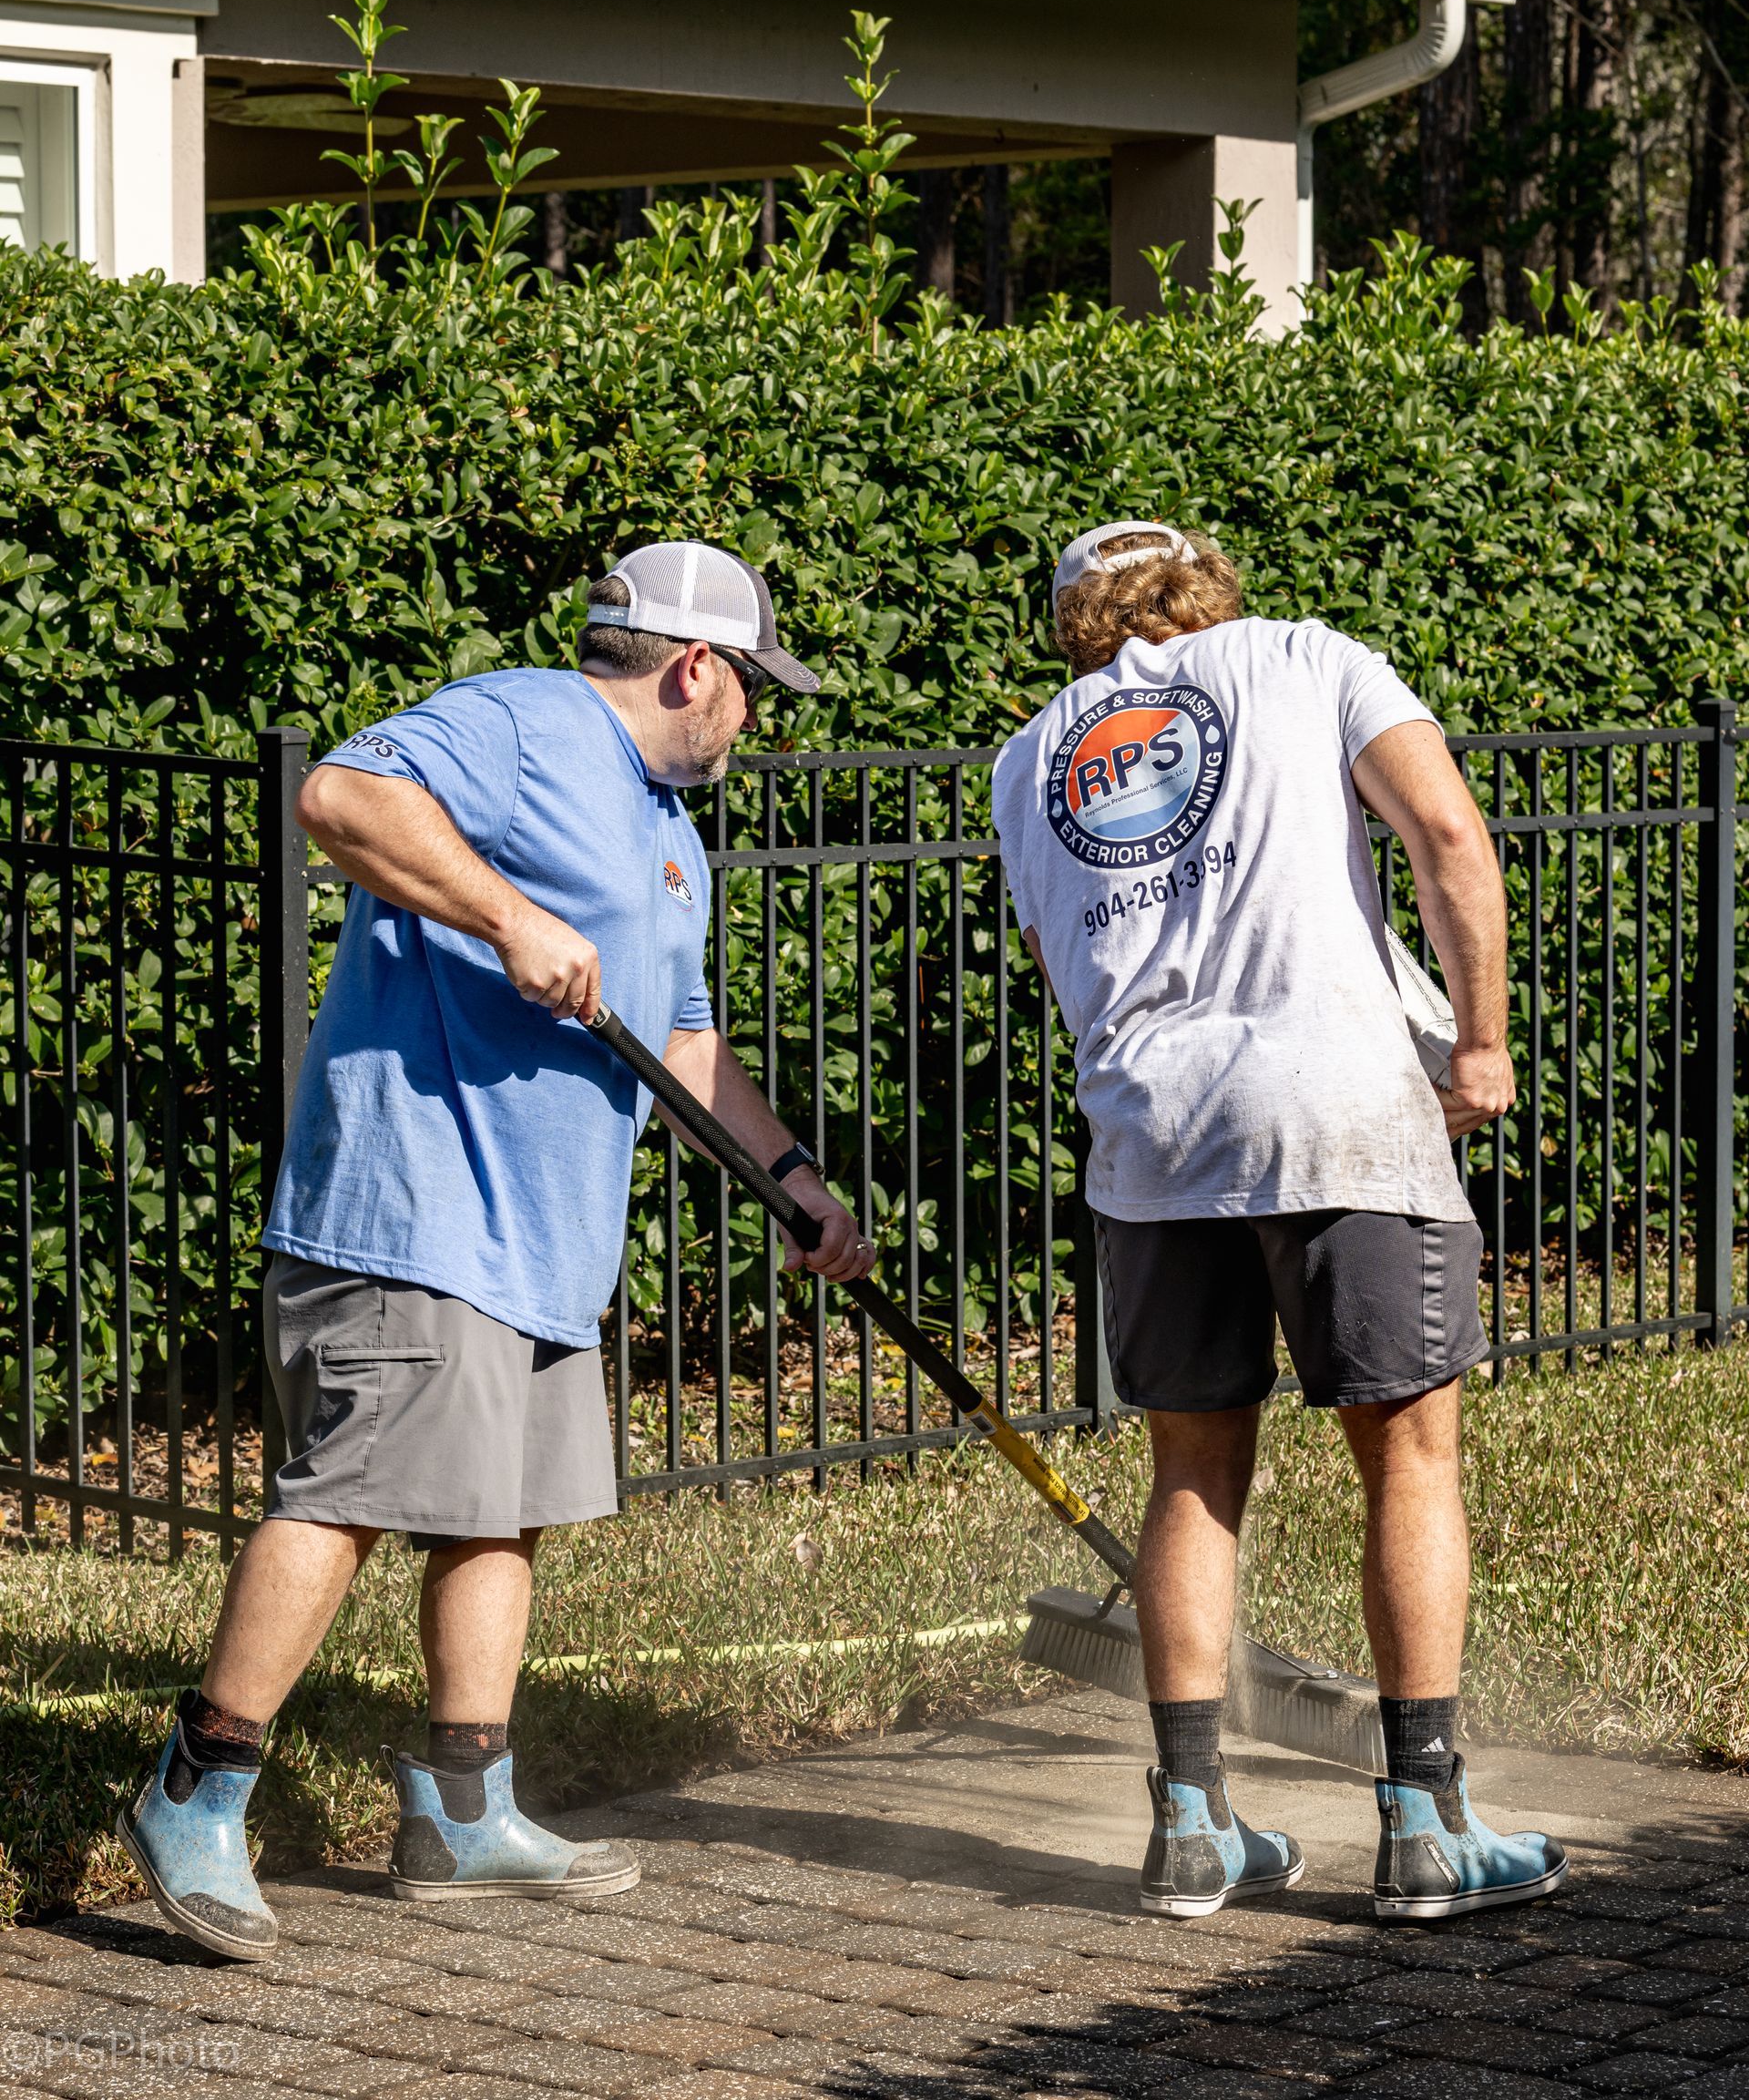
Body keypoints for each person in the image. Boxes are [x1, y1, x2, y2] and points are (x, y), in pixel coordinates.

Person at [117, 541, 876, 1960]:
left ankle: (464, 1812)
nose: (754, 719)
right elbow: (340, 798)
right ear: (694, 668)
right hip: (418, 1212)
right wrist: (509, 916)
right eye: (752, 689)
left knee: (501, 1513)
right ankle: (194, 1790)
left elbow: (685, 1045)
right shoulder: (527, 719)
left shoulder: (667, 833)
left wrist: (792, 1183)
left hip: (545, 1242)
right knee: (345, 1498)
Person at [991, 520, 1567, 1924]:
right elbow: (1446, 834)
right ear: (1206, 587)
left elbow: (1060, 956)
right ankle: (1426, 1825)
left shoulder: (1030, 758)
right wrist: (1480, 1043)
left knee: (1191, 1472)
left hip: (1151, 1133)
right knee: (1408, 1460)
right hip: (1333, 1107)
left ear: (1075, 622)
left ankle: (1190, 1827)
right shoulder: (1306, 660)